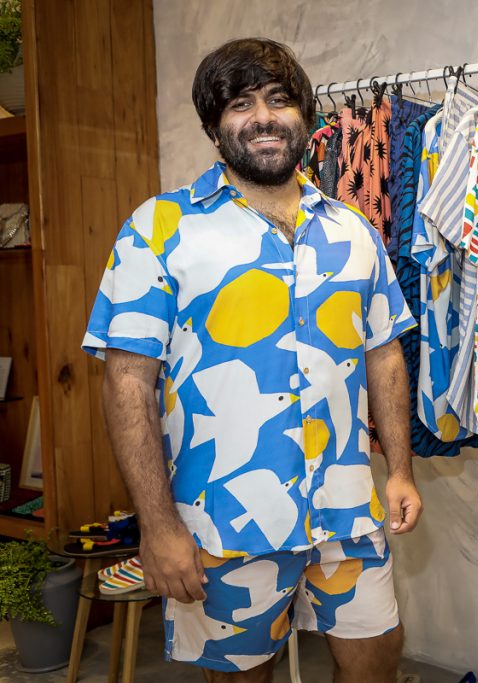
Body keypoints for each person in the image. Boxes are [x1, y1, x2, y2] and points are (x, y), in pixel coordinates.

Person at [81, 38, 421, 683]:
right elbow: (126, 382)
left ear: (305, 117)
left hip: (347, 513)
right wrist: (157, 527)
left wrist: (400, 470)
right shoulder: (158, 229)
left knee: (378, 657)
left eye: (278, 99)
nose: (263, 117)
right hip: (222, 526)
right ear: (214, 128)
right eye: (240, 104)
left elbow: (384, 355)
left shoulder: (354, 231)